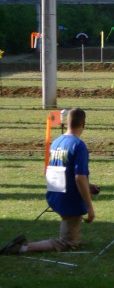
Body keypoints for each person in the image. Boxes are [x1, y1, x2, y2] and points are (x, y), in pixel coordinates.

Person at [0, 108, 99, 255]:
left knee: (71, 231)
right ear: (83, 124)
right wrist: (90, 207)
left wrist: (88, 186)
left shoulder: (57, 142)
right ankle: (23, 247)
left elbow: (63, 171)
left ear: (67, 123)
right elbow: (80, 177)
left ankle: (72, 236)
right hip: (69, 199)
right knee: (69, 243)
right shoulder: (78, 145)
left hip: (56, 193)